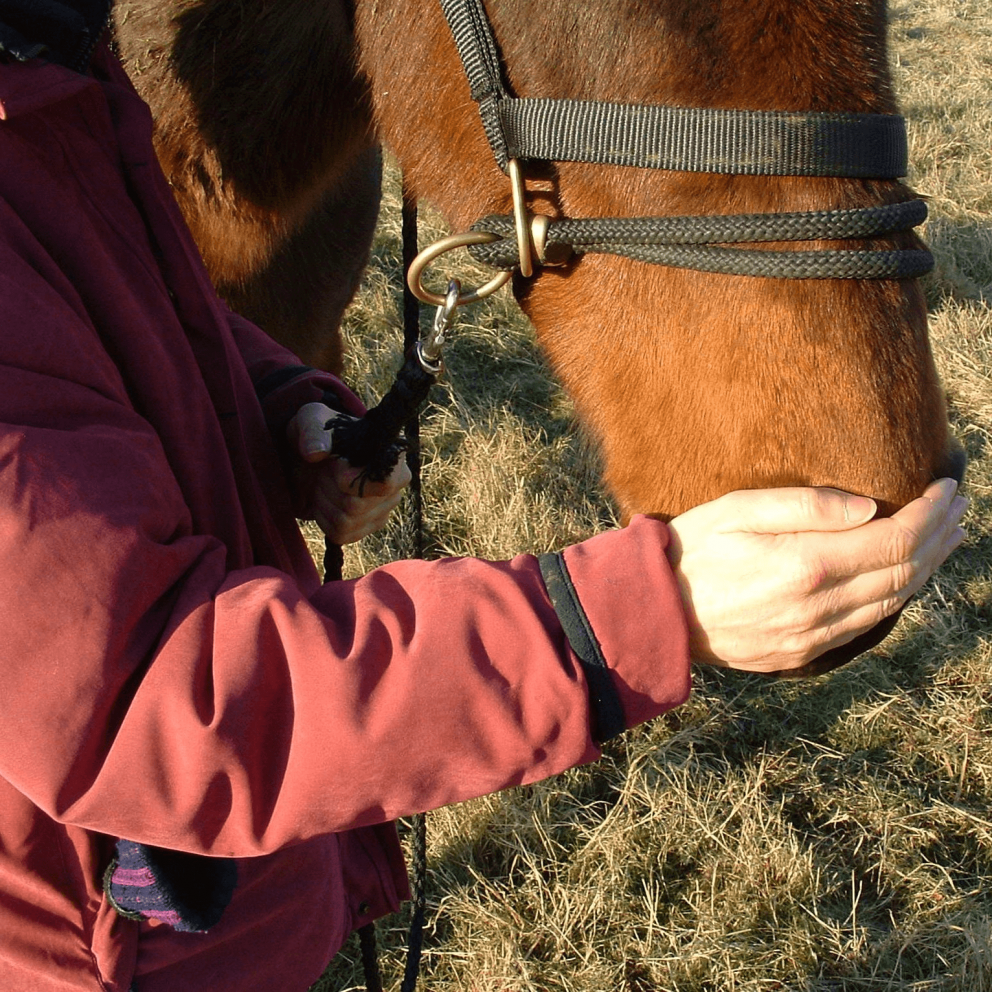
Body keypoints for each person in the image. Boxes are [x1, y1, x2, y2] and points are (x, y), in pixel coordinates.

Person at [0, 3, 967, 990]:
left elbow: (111, 311)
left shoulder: (47, 85)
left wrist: (278, 404)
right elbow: (146, 703)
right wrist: (633, 613)